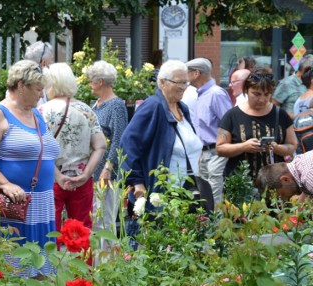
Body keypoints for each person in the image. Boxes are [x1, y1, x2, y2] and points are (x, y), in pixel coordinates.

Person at [0, 60, 60, 276]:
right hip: (13, 204)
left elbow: (43, 153)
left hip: (40, 203)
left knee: (39, 268)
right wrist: (6, 184)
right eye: (38, 89)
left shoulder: (36, 114)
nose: (42, 95)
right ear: (21, 85)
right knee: (11, 266)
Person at [122, 60, 202, 202]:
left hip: (186, 191)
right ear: (163, 82)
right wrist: (137, 181)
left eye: (186, 82)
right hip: (160, 193)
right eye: (178, 82)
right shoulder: (153, 107)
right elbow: (128, 144)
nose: (183, 87)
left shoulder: (182, 108)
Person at [38, 63, 106, 230]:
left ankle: (50, 257)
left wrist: (58, 175)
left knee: (49, 231)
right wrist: (86, 174)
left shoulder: (41, 111)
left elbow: (38, 150)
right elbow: (101, 145)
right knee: (82, 231)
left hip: (51, 179)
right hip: (80, 180)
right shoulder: (86, 110)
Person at [217, 70, 297, 181]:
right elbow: (220, 148)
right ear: (246, 90)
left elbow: (292, 146)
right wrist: (243, 147)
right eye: (256, 94)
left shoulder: (280, 114)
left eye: (267, 94)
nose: (262, 99)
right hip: (240, 184)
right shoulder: (232, 115)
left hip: (274, 182)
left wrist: (276, 148)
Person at [86, 60, 128, 235]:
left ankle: (107, 259)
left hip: (106, 172)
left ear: (100, 81)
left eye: (90, 81)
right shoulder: (96, 104)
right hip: (94, 168)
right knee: (95, 218)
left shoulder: (116, 106)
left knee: (104, 220)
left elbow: (119, 137)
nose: (89, 85)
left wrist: (108, 168)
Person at [186, 57, 232, 205]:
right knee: (205, 194)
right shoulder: (201, 94)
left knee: (213, 194)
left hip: (216, 152)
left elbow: (229, 123)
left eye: (187, 72)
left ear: (196, 73)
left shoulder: (216, 94)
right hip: (204, 152)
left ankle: (216, 226)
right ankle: (208, 226)